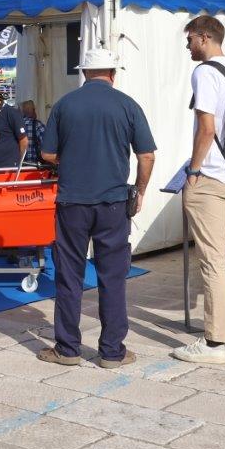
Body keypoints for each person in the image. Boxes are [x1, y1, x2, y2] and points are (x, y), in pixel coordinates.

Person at [35, 49, 155, 368]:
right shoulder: (128, 105)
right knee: (113, 277)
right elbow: (147, 156)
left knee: (70, 274)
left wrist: (72, 157)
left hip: (72, 202)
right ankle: (112, 352)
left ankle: (67, 349)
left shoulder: (64, 105)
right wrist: (140, 191)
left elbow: (47, 155)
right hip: (114, 203)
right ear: (112, 73)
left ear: (84, 73)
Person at [172, 15, 225, 365]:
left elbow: (206, 128)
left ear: (204, 38)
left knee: (211, 260)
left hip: (211, 177)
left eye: (189, 38)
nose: (188, 45)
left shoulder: (205, 72)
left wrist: (193, 170)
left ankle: (213, 343)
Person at [21, 100, 46, 166]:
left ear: (23, 111)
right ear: (32, 110)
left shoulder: (17, 125)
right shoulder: (38, 125)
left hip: (20, 164)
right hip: (34, 164)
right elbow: (47, 143)